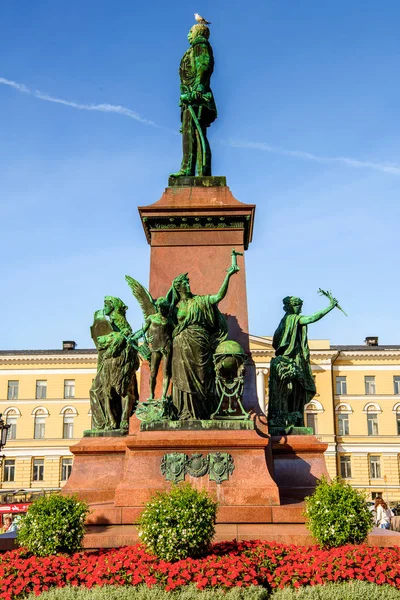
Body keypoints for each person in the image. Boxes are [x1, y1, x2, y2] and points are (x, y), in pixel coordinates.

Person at [166, 265, 239, 420]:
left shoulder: (200, 300)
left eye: (188, 282)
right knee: (182, 378)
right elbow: (165, 326)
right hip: (180, 345)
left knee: (203, 376)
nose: (188, 284)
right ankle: (185, 411)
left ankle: (204, 411)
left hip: (200, 342)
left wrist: (229, 275)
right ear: (178, 287)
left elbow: (219, 296)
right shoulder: (174, 307)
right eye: (184, 283)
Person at [269, 294, 338, 427]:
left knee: (293, 392)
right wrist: (330, 307)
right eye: (298, 306)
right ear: (291, 307)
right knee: (295, 392)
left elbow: (276, 340)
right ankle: (293, 419)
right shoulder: (292, 319)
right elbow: (312, 318)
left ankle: (292, 419)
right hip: (293, 360)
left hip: (288, 360)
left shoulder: (284, 321)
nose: (300, 309)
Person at [170, 23, 217, 177]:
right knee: (193, 133)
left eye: (190, 32)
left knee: (193, 134)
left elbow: (204, 66)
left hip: (195, 97)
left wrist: (198, 88)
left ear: (198, 32)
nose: (188, 35)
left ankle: (189, 169)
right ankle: (200, 170)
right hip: (190, 98)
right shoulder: (194, 48)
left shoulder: (200, 45)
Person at [131, 297, 173, 401]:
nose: (161, 310)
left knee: (166, 372)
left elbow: (175, 332)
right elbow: (143, 330)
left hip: (166, 347)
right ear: (157, 307)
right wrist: (134, 337)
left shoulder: (168, 320)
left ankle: (163, 396)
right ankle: (151, 395)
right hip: (155, 348)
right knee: (153, 372)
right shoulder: (151, 318)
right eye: (159, 307)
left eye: (163, 308)